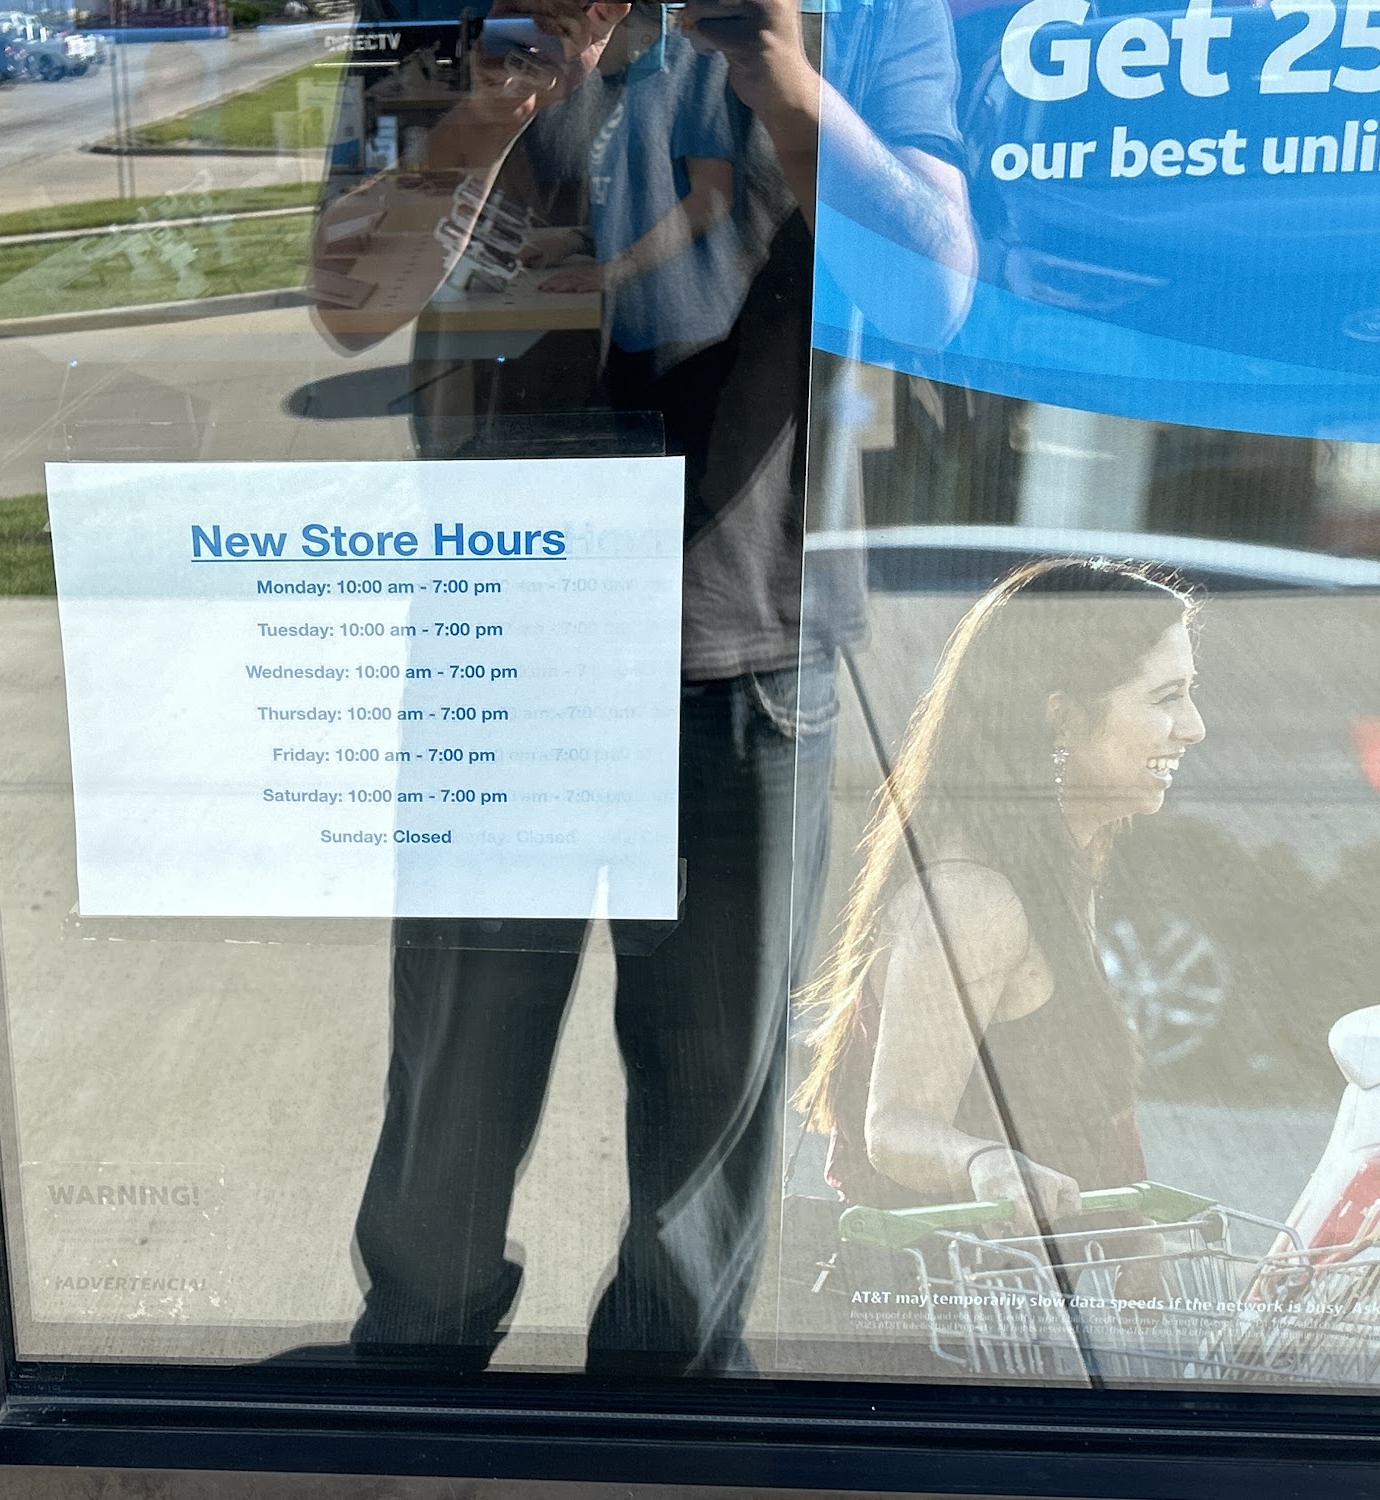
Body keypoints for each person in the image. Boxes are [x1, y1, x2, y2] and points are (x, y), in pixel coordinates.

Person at [297, 0, 976, 1376]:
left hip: (749, 627)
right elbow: (348, 304)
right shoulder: (448, 7)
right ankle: (415, 1383)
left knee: (714, 1103)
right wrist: (491, 105)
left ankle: (667, 1413)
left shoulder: (856, 10)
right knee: (454, 1079)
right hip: (506, 625)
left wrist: (780, 69)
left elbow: (934, 297)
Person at [798, 559, 1208, 1228]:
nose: (1194, 726)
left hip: (1025, 1276)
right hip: (943, 1282)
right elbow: (894, 1128)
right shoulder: (973, 899)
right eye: (1167, 698)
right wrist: (986, 1163)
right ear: (1063, 720)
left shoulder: (1059, 860)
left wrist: (1134, 1235)